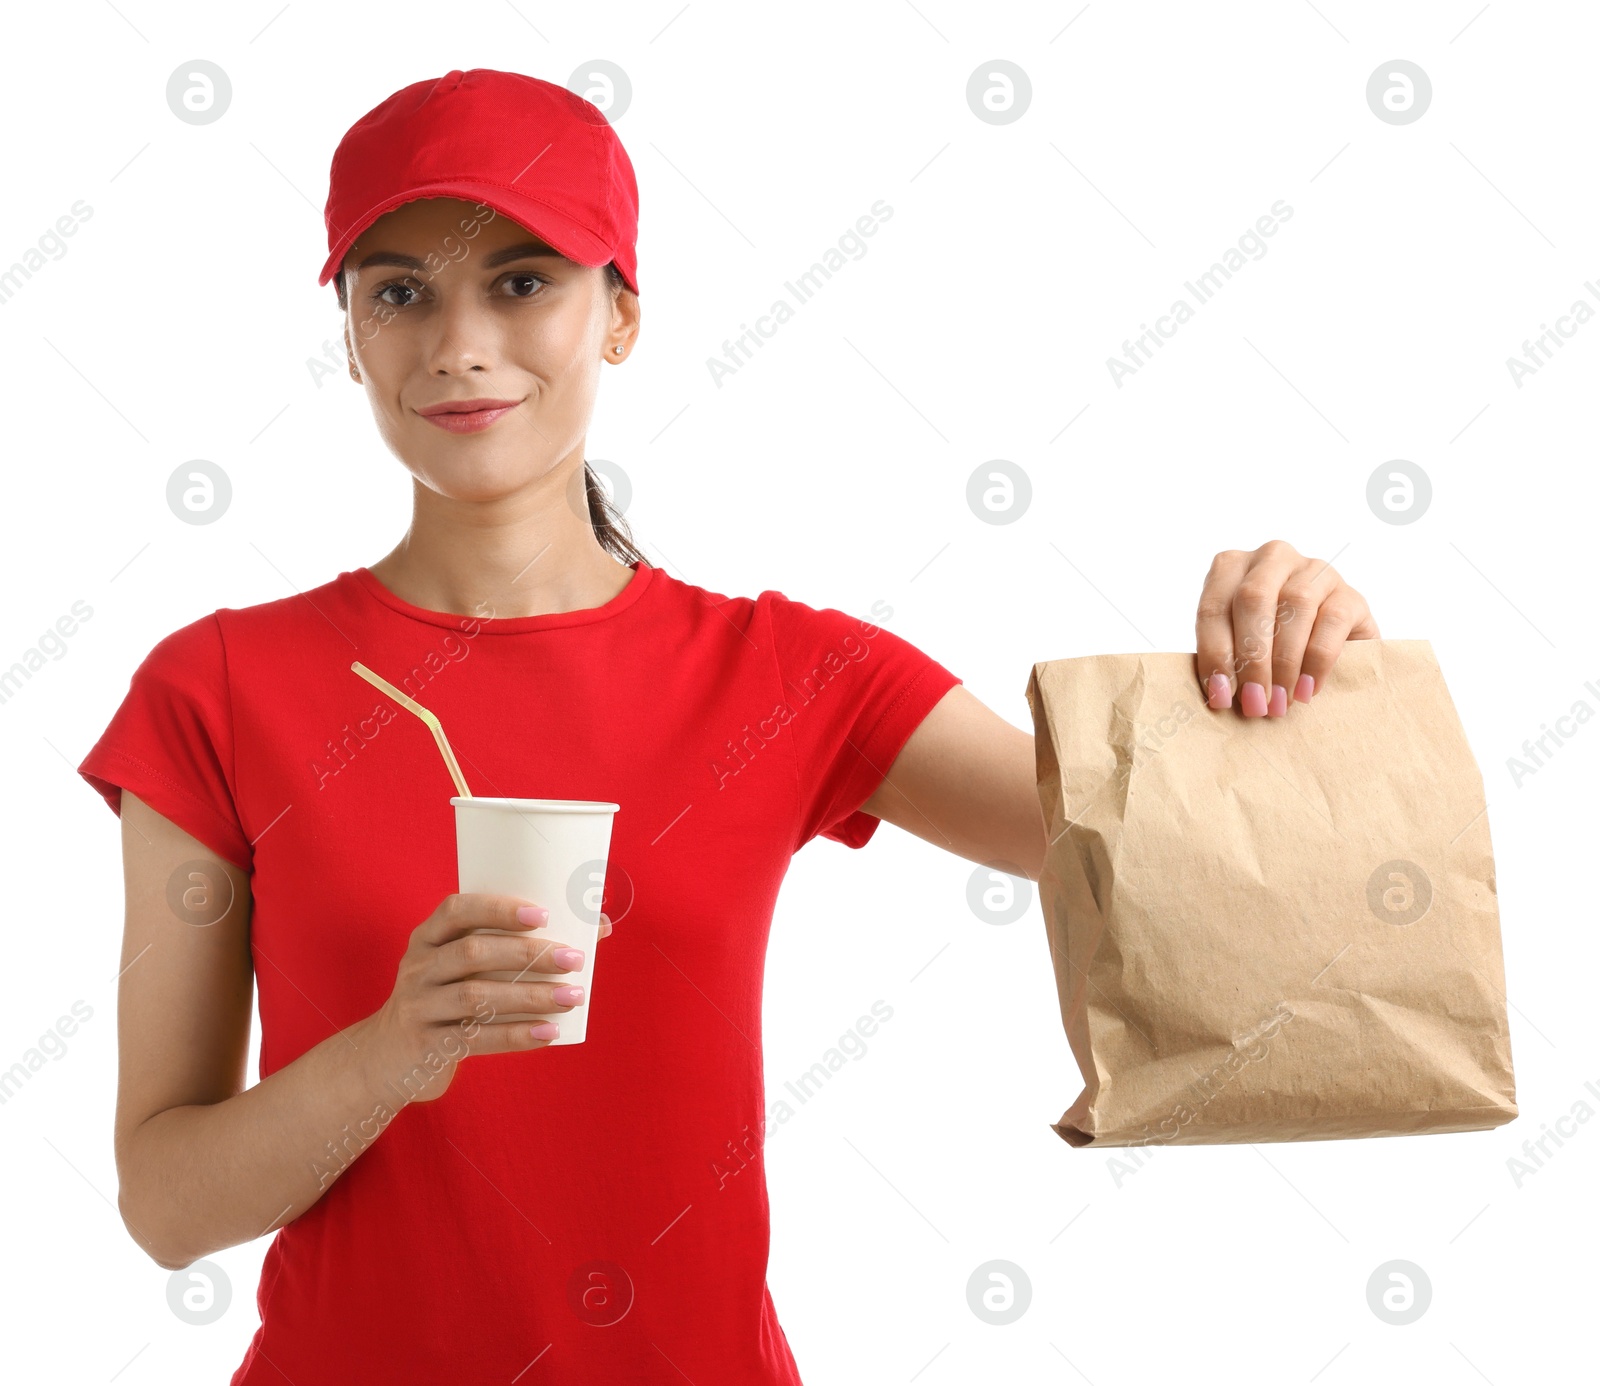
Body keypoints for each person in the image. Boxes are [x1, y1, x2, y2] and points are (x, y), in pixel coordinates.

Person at [77, 69, 1379, 1385]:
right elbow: (165, 1204)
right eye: (399, 291)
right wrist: (390, 1053)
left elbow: (1168, 844)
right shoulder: (219, 689)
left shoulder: (788, 674)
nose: (458, 341)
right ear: (350, 333)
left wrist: (1307, 657)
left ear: (623, 312)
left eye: (524, 281)